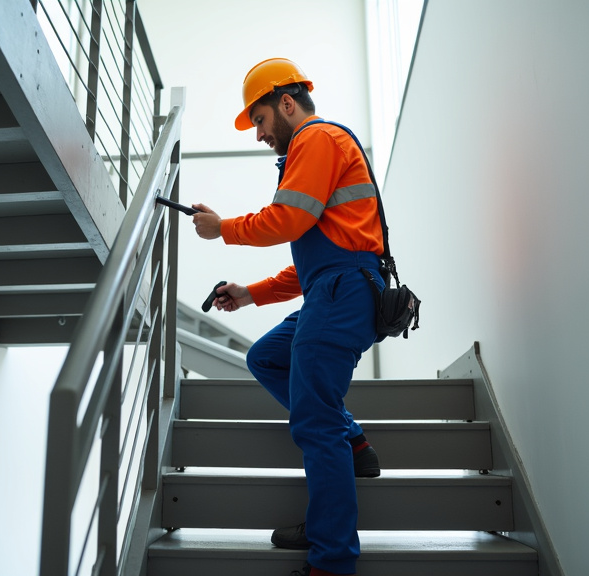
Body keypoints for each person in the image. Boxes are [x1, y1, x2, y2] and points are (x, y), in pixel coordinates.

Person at [190, 58, 385, 576]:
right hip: (334, 287)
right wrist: (248, 294)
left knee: (315, 424)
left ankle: (331, 558)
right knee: (267, 357)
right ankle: (353, 440)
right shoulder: (315, 149)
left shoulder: (315, 139)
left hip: (343, 292)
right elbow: (315, 260)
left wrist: (223, 229)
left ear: (286, 102)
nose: (259, 134)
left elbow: (288, 219)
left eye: (259, 120)